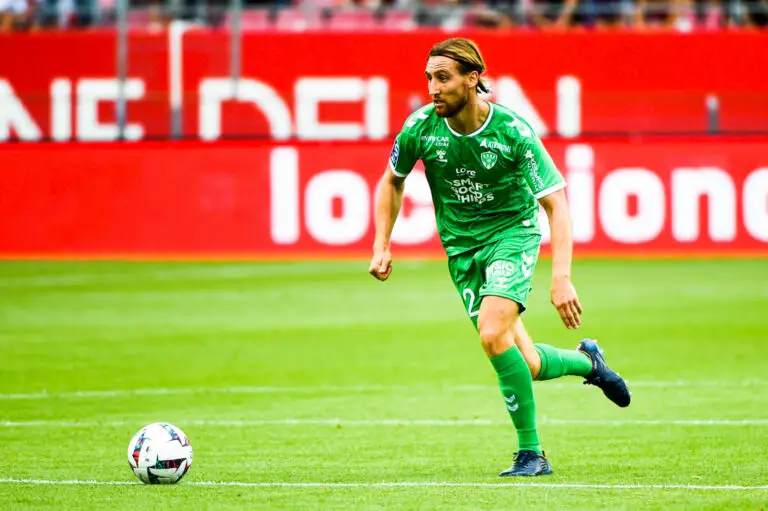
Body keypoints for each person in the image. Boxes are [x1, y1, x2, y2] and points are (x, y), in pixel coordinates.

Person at [368, 37, 630, 477]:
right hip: (462, 250)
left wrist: (561, 277)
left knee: (491, 333)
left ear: (473, 79)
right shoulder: (419, 128)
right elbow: (392, 181)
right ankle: (590, 363)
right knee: (527, 362)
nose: (433, 88)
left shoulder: (513, 131)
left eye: (443, 78)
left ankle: (532, 453)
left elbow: (556, 206)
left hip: (512, 235)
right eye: (429, 78)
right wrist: (382, 244)